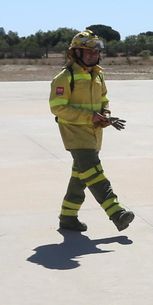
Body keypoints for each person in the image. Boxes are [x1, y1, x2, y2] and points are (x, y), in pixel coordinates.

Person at [50, 30, 135, 234]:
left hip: (94, 134)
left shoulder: (97, 74)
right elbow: (58, 108)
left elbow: (103, 98)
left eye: (95, 52)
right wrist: (89, 116)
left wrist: (105, 114)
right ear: (76, 53)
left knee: (80, 177)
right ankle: (116, 212)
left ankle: (68, 217)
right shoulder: (64, 77)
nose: (93, 55)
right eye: (87, 51)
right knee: (95, 174)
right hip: (75, 134)